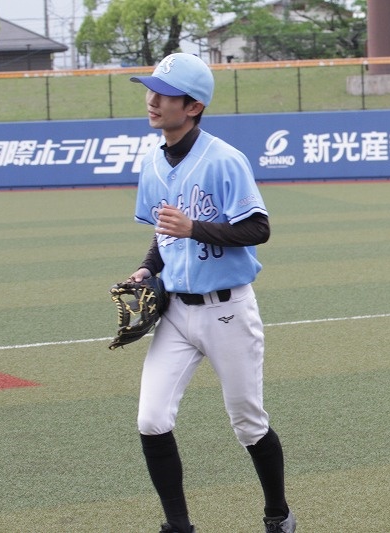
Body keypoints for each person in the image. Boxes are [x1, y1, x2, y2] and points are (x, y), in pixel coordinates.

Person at [124, 52, 296, 533]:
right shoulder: (152, 162)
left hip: (228, 312)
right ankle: (178, 526)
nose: (152, 100)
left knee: (248, 423)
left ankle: (278, 515)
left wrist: (195, 227)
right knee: (152, 419)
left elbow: (258, 228)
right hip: (176, 313)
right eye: (151, 90)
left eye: (165, 94)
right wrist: (146, 267)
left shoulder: (224, 160)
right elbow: (163, 232)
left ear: (194, 106)